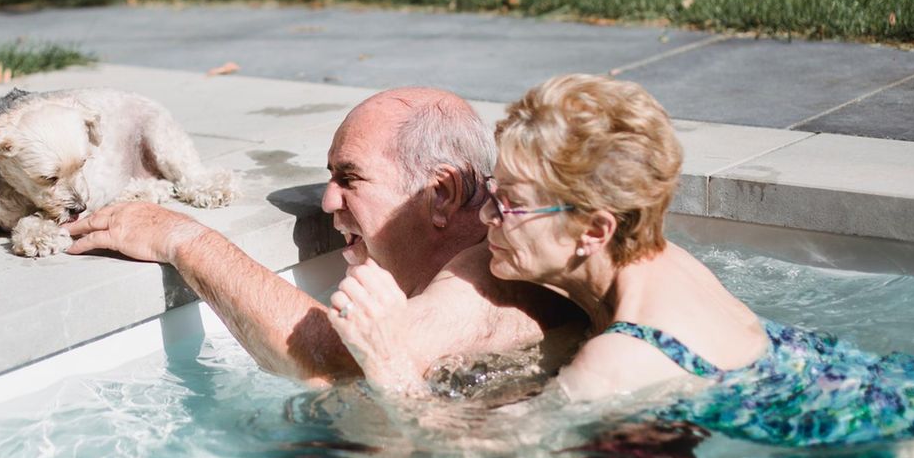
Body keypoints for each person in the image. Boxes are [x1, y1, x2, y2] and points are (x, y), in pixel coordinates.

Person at [332, 73, 914, 458]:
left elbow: (481, 454)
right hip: (842, 425)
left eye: (510, 203)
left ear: (593, 230)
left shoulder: (624, 355)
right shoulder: (645, 258)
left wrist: (391, 367)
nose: (488, 215)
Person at [62, 86, 582, 387]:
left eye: (349, 179)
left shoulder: (490, 271)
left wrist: (181, 238)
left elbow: (331, 360)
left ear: (441, 193)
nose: (327, 202)